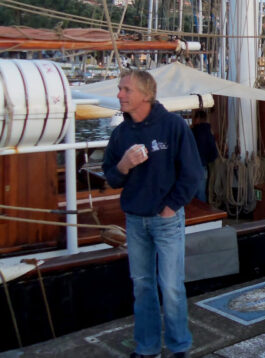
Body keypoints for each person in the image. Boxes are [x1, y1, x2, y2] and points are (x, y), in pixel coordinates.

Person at [103, 69, 202, 358]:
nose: (119, 94)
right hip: (134, 220)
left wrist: (170, 207)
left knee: (170, 287)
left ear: (145, 95)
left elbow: (192, 173)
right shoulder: (121, 134)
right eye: (120, 89)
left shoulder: (173, 126)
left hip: (166, 220)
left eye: (126, 90)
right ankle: (147, 348)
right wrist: (124, 164)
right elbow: (112, 178)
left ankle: (178, 346)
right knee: (143, 286)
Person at [190, 109, 219, 201]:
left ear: (197, 119)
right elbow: (214, 153)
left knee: (190, 195)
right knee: (201, 195)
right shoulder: (208, 133)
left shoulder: (191, 132)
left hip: (190, 168)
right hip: (203, 168)